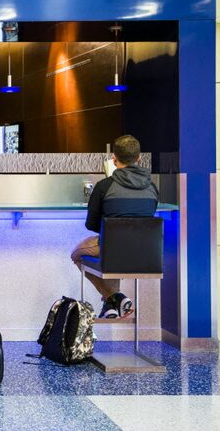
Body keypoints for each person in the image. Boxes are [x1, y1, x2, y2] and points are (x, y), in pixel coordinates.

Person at [71, 134, 159, 319]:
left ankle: (114, 298)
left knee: (77, 254)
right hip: (145, 253)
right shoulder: (152, 187)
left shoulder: (104, 186)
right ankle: (112, 303)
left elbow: (92, 225)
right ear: (139, 158)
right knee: (113, 247)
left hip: (112, 251)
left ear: (114, 159)